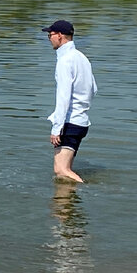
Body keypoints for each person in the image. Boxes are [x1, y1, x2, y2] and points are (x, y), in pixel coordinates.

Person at [43, 19, 97, 184]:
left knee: (61, 170)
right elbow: (93, 89)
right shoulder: (81, 57)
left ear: (60, 36)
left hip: (70, 122)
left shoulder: (65, 61)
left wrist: (57, 127)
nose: (49, 39)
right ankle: (65, 208)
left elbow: (63, 97)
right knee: (64, 172)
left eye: (50, 35)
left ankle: (88, 190)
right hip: (80, 122)